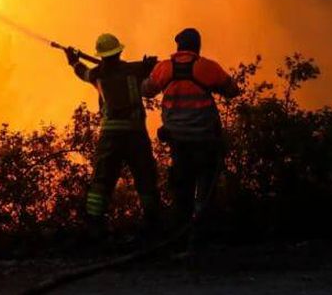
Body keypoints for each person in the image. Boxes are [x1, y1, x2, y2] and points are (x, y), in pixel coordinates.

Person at [142, 27, 240, 249]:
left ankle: (179, 237)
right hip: (205, 140)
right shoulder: (208, 67)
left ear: (178, 46)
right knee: (205, 189)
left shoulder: (164, 69)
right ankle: (201, 237)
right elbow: (233, 90)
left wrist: (146, 71)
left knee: (182, 190)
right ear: (198, 46)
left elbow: (145, 90)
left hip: (178, 141)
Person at [65, 33, 160, 240]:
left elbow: (82, 72)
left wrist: (73, 61)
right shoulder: (134, 70)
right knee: (145, 178)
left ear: (101, 55)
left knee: (102, 180)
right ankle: (154, 224)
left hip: (110, 136)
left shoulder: (98, 74)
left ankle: (94, 226)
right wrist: (149, 64)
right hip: (135, 134)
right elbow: (152, 71)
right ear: (119, 51)